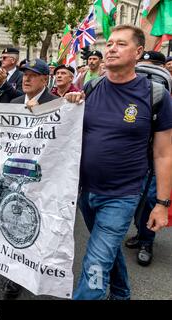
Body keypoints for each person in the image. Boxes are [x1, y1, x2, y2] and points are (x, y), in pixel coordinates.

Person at [65, 25, 172, 300]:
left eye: (120, 44)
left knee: (96, 264)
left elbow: (163, 154)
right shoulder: (91, 86)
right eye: (109, 43)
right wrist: (70, 104)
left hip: (122, 196)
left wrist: (161, 205)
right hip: (86, 194)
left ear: (138, 52)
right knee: (107, 249)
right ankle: (122, 293)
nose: (111, 48)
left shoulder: (156, 95)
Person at [2, 58, 59, 298]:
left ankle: (38, 267)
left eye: (33, 75)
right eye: (25, 74)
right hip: (15, 173)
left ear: (45, 79)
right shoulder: (15, 102)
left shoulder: (57, 104)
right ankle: (15, 275)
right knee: (14, 223)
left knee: (37, 225)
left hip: (43, 177)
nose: (26, 78)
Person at [124, 50, 171, 267]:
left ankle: (147, 241)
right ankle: (140, 231)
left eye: (152, 67)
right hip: (133, 152)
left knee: (150, 198)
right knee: (134, 198)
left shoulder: (164, 94)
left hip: (156, 153)